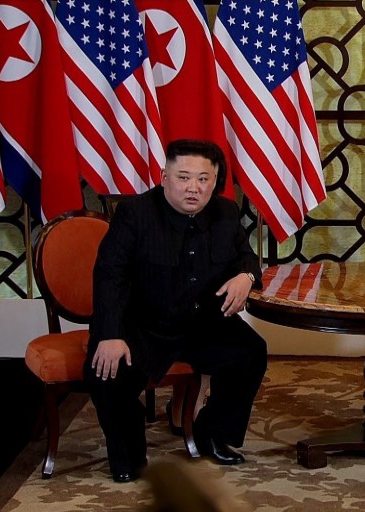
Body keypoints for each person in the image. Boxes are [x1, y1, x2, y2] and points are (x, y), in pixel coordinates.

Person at [84, 139, 268, 483]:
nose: (193, 188)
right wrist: (110, 334)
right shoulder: (134, 214)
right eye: (183, 177)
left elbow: (246, 257)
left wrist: (247, 276)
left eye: (203, 179)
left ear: (215, 182)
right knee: (104, 373)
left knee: (251, 352)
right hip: (144, 325)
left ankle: (211, 434)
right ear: (164, 176)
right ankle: (129, 453)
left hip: (202, 323)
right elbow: (110, 276)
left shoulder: (226, 212)